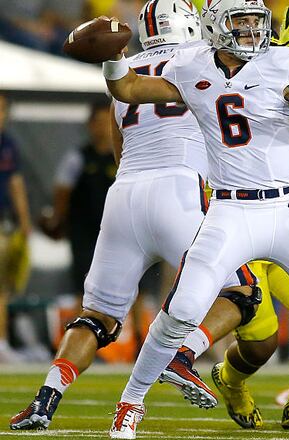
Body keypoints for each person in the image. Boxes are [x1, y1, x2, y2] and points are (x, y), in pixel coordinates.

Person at [100, 1, 289, 438]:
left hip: (288, 209)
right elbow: (127, 89)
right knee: (182, 309)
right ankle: (130, 403)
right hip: (230, 209)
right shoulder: (188, 63)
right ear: (215, 25)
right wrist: (111, 55)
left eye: (257, 22)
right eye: (240, 21)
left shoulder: (284, 61)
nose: (251, 30)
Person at [10, 1, 252, 431]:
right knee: (241, 292)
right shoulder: (205, 57)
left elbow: (119, 145)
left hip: (123, 196)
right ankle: (183, 354)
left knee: (97, 316)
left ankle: (45, 399)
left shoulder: (123, 67)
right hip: (178, 190)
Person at [39, 101, 116, 292]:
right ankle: (82, 321)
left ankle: (138, 323)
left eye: (108, 122)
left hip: (116, 228)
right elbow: (62, 189)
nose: (103, 128)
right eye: (98, 122)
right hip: (85, 230)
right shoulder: (78, 157)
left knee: (131, 285)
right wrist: (59, 218)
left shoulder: (124, 157)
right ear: (90, 125)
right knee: (84, 283)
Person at [0, 92, 32, 363]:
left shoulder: (7, 143)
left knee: (2, 287)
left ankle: (1, 343)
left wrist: (24, 221)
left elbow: (15, 183)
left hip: (2, 222)